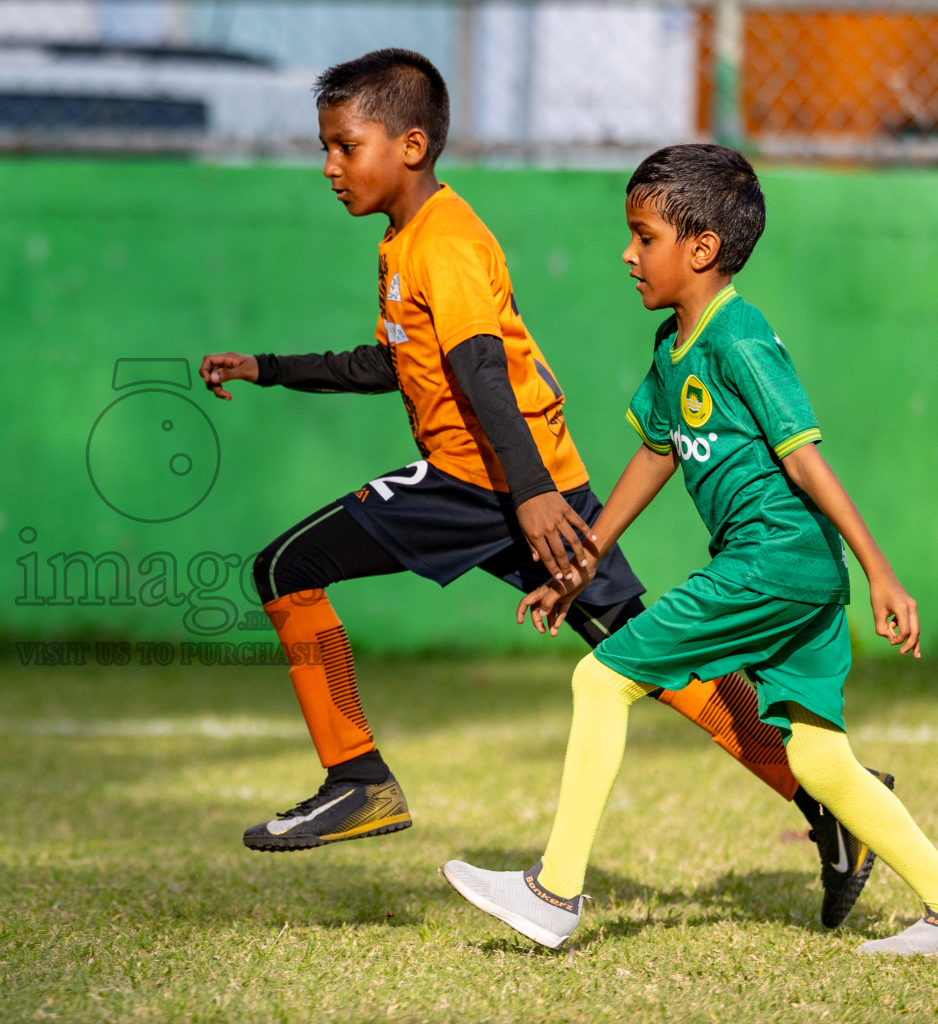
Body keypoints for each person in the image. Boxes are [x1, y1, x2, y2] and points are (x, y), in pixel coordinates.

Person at [200, 50, 884, 927]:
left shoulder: (444, 241)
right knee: (661, 664)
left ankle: (357, 778)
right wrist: (269, 367)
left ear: (411, 145)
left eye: (343, 146)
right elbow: (396, 362)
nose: (329, 166)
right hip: (535, 481)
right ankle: (831, 807)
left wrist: (526, 498)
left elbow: (482, 371)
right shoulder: (407, 242)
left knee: (284, 569)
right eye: (324, 148)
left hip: (482, 483)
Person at [441, 143, 936, 955]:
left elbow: (805, 456)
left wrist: (882, 570)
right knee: (818, 761)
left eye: (643, 237)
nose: (627, 255)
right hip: (798, 569)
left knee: (600, 679)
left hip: (773, 557)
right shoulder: (675, 345)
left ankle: (553, 893)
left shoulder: (738, 335)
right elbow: (658, 452)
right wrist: (583, 558)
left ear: (700, 248)